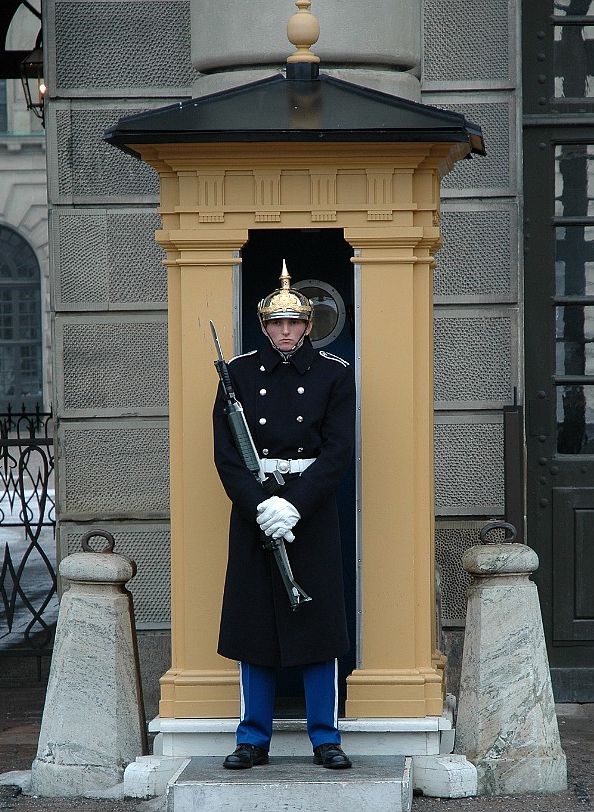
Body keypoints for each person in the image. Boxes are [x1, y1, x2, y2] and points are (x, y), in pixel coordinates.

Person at [213, 262, 355, 770]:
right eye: (277, 323)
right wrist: (260, 505)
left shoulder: (335, 374)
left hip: (309, 511)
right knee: (255, 625)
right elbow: (227, 454)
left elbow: (339, 451)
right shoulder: (240, 374)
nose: (286, 331)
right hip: (256, 512)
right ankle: (252, 737)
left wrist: (293, 504)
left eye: (295, 322)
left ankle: (325, 735)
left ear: (308, 325)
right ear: (265, 326)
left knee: (318, 623)